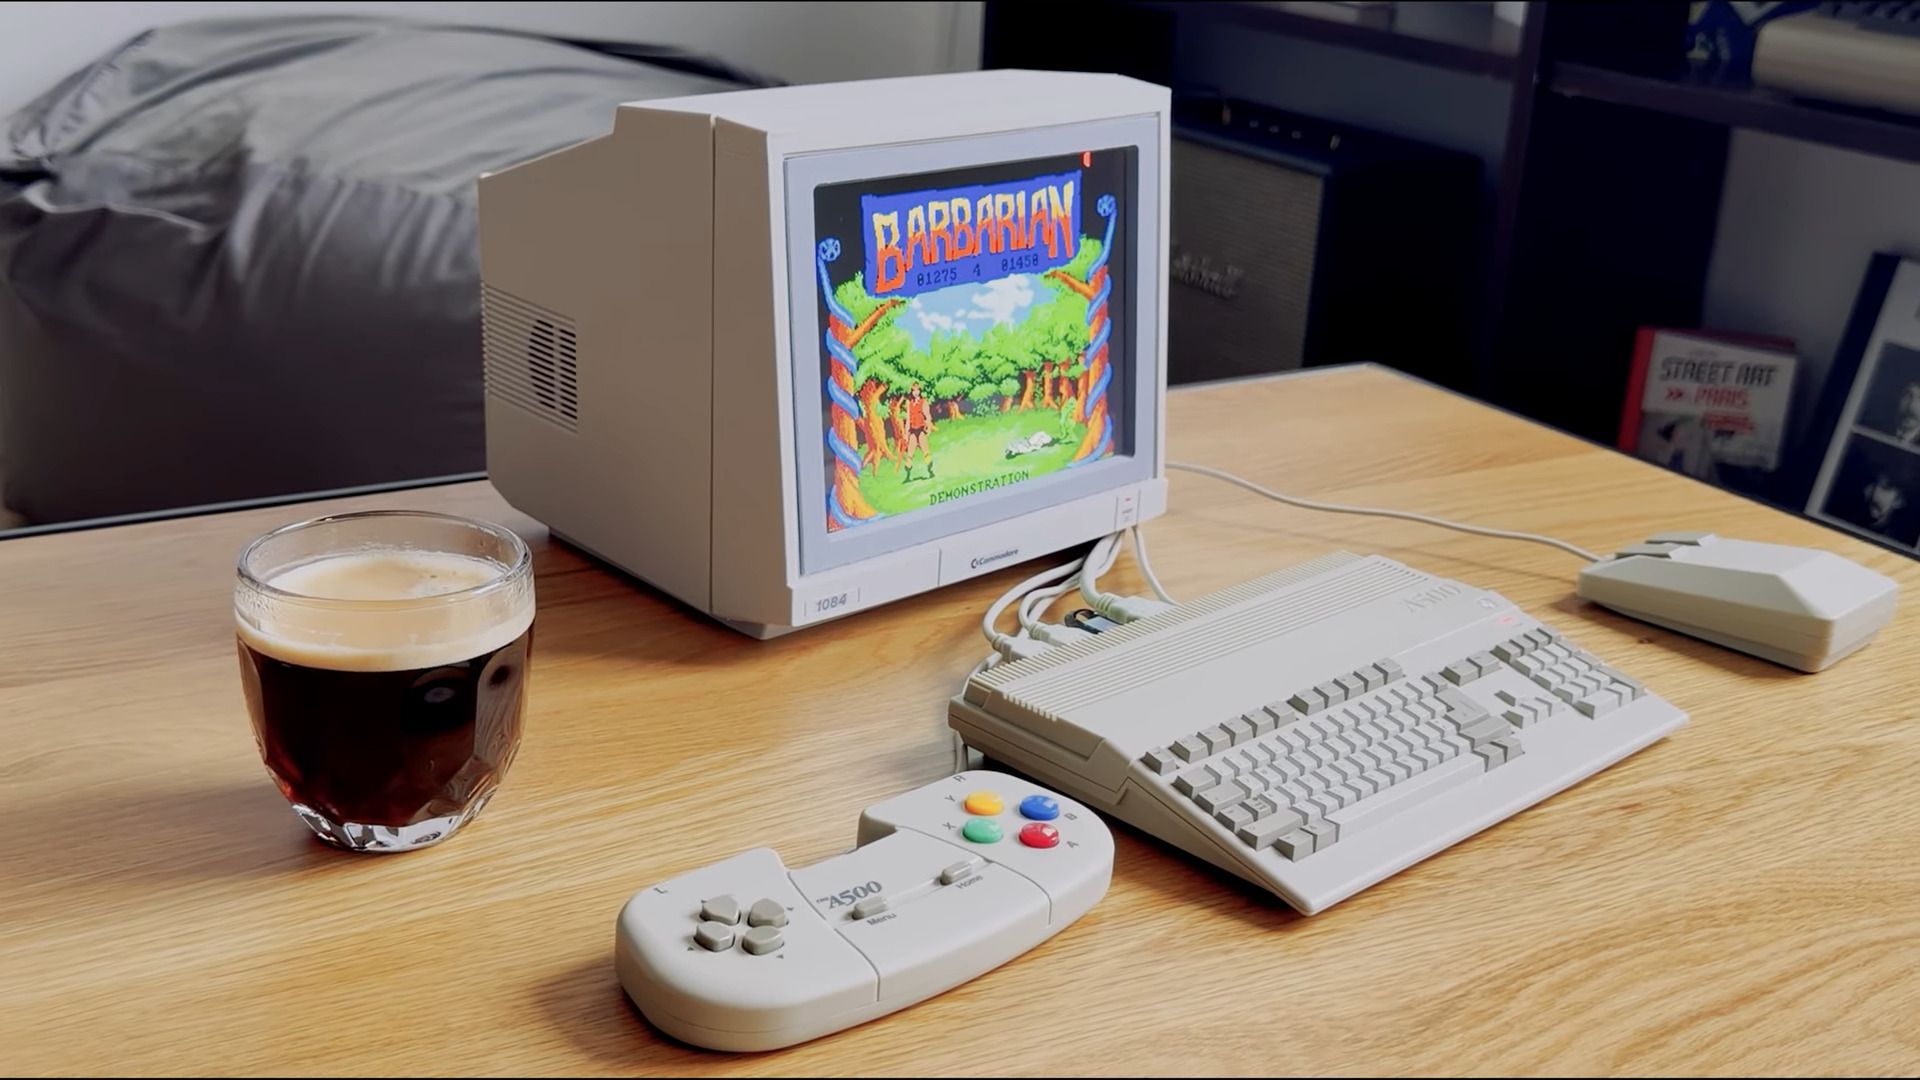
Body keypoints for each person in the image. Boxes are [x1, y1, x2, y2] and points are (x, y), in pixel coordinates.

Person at [901, 382, 935, 481]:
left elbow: (927, 416)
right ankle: (908, 476)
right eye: (914, 390)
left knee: (926, 452)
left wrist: (929, 427)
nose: (916, 392)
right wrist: (906, 434)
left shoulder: (923, 402)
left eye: (917, 390)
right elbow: (908, 419)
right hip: (913, 431)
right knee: (910, 454)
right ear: (911, 392)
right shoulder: (909, 403)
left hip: (921, 430)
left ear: (920, 391)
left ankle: (930, 471)